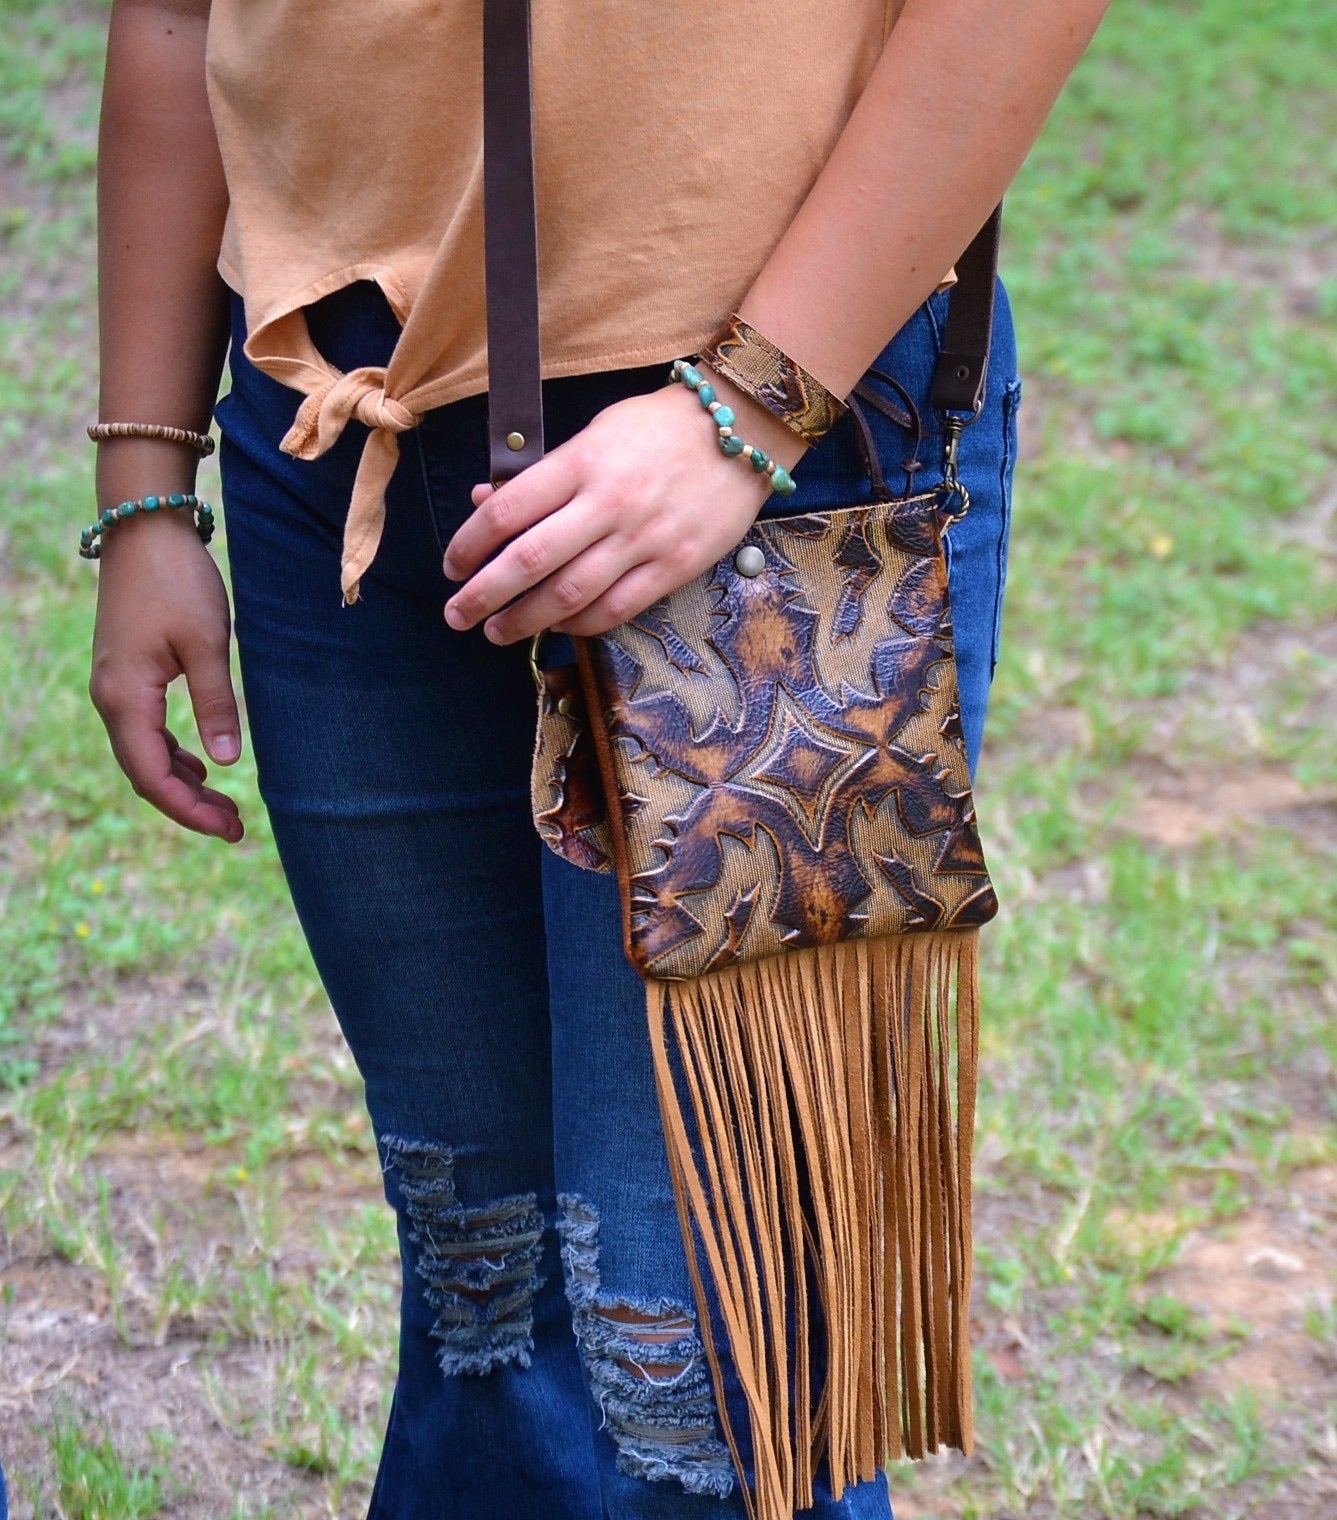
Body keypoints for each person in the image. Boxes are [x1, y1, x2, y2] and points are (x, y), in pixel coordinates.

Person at [86, 3, 1109, 1516]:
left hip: (771, 435)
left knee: (707, 1341)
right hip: (330, 428)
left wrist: (748, 406)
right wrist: (144, 484)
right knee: (479, 1282)